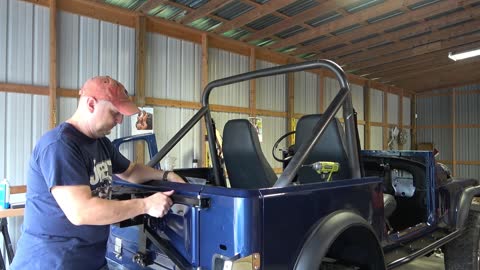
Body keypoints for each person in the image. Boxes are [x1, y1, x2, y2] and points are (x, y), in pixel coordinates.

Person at [11, 76, 185, 270]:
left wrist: (166, 175)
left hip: (91, 260)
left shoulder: (100, 142)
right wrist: (145, 205)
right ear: (91, 104)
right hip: (51, 263)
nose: (119, 121)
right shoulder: (60, 146)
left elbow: (130, 171)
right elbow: (81, 212)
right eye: (115, 113)